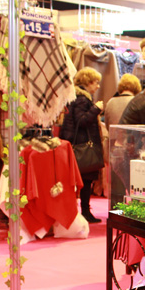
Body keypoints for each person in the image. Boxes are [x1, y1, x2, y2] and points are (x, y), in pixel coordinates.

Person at [60, 67, 104, 224]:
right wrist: (96, 109)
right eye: (96, 82)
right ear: (88, 82)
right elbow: (82, 120)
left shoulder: (76, 97)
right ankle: (85, 211)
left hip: (77, 144)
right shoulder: (82, 99)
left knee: (82, 180)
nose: (98, 86)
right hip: (82, 145)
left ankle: (80, 211)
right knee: (86, 180)